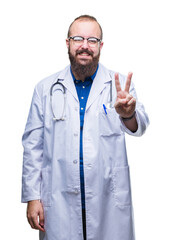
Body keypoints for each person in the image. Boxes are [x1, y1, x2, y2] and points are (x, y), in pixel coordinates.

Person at [21, 15, 149, 240]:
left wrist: (128, 113)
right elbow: (33, 147)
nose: (84, 46)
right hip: (59, 199)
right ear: (67, 43)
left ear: (101, 46)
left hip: (107, 198)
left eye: (92, 40)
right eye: (78, 38)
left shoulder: (118, 85)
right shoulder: (45, 89)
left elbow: (138, 126)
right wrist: (32, 197)